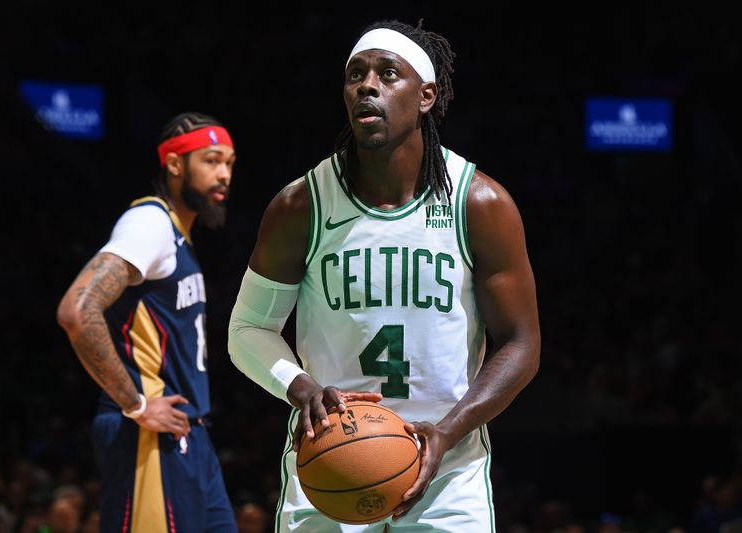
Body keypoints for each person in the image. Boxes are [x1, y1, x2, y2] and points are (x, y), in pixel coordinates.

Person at [228, 19, 541, 532]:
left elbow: (522, 344)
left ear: (426, 96)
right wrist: (300, 386)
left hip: (448, 470)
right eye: (355, 74)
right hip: (329, 456)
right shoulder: (301, 206)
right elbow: (247, 331)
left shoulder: (479, 203)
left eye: (387, 73)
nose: (367, 85)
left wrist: (447, 431)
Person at [57, 112, 237, 532]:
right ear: (175, 164)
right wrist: (135, 404)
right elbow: (78, 312)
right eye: (211, 160)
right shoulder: (150, 223)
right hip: (149, 432)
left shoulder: (178, 235)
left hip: (190, 434)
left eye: (229, 162)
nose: (224, 174)